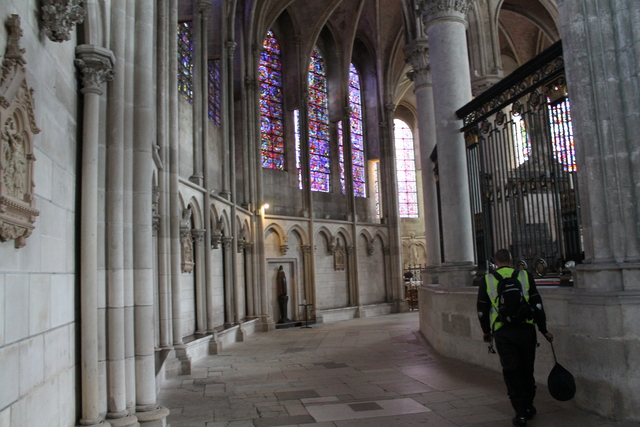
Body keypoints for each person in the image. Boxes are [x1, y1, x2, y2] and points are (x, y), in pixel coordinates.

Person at [477, 249, 554, 427]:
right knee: (527, 370)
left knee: (511, 371)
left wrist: (486, 331)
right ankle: (529, 406)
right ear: (512, 261)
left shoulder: (487, 280)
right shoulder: (525, 276)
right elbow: (537, 304)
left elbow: (482, 309)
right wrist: (543, 329)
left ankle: (519, 413)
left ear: (495, 262)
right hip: (526, 329)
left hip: (503, 331)